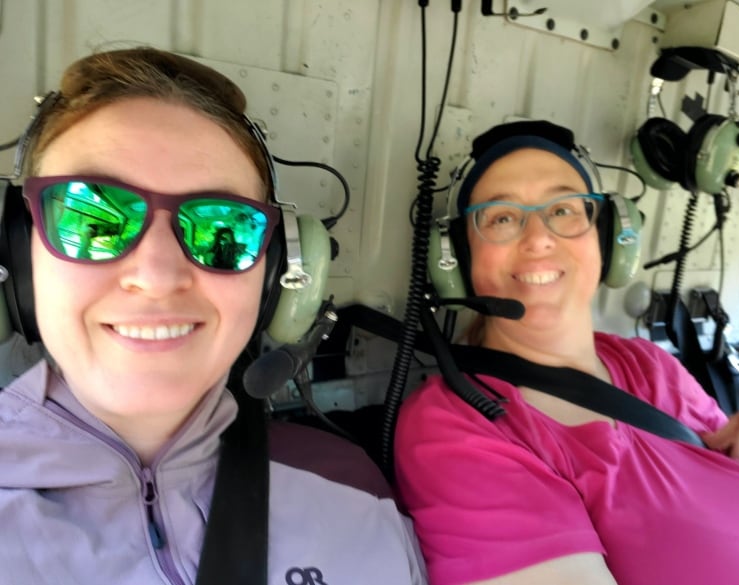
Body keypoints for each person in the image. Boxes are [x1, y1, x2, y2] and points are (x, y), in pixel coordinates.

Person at [0, 47, 426, 584]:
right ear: (17, 255)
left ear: (276, 276)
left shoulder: (355, 499)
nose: (156, 276)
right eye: (91, 221)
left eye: (222, 228)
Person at [394, 120, 739, 585]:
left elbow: (735, 472)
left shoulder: (651, 366)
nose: (538, 237)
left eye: (563, 210)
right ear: (456, 259)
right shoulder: (456, 425)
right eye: (500, 217)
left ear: (608, 238)